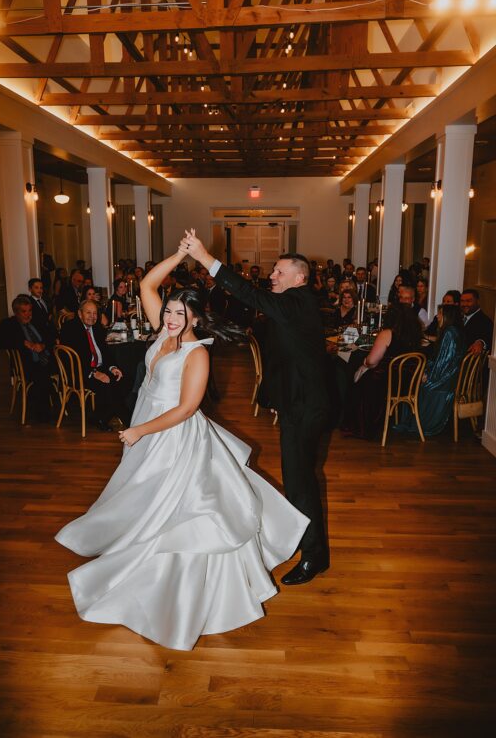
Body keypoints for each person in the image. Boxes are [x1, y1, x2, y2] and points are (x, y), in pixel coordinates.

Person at [55, 247, 307, 650]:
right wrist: (179, 255)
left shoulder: (198, 353)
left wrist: (139, 432)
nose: (170, 319)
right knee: (143, 500)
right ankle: (138, 561)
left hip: (173, 436)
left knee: (176, 510)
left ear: (196, 318)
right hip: (148, 427)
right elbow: (146, 284)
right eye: (168, 311)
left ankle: (171, 588)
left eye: (179, 314)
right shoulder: (163, 332)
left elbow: (188, 408)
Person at [181, 230, 332, 585]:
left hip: (307, 407)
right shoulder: (293, 306)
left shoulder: (298, 301)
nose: (272, 276)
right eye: (274, 271)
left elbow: (249, 293)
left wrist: (205, 258)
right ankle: (305, 541)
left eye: (280, 272)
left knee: (300, 483)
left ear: (299, 278)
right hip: (299, 403)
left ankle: (315, 556)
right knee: (299, 480)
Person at [340, 303, 422, 440]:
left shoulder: (387, 333)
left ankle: (357, 425)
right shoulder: (415, 334)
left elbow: (372, 361)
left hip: (386, 383)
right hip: (408, 382)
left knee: (356, 378)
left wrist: (364, 363)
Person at [393, 304, 465, 437]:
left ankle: (416, 423)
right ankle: (409, 421)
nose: (437, 316)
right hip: (447, 373)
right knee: (414, 379)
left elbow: (444, 362)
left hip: (444, 379)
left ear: (447, 316)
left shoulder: (450, 332)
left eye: (440, 313)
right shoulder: (451, 331)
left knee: (414, 384)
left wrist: (428, 375)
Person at [58, 300, 127, 430]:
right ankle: (126, 420)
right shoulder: (70, 328)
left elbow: (105, 351)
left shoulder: (97, 327)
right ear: (79, 314)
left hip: (98, 367)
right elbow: (71, 359)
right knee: (108, 385)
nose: (92, 316)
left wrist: (113, 367)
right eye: (88, 312)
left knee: (123, 378)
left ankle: (100, 417)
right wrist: (94, 373)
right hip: (79, 371)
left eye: (95, 313)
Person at [0, 295, 55, 423]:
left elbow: (51, 336)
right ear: (16, 312)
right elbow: (0, 342)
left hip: (46, 359)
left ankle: (58, 405)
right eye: (24, 311)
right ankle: (42, 414)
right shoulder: (9, 324)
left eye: (30, 310)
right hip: (26, 364)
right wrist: (24, 342)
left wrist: (43, 345)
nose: (28, 314)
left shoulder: (36, 321)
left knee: (62, 370)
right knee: (42, 377)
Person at [461, 289, 493, 356]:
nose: (465, 304)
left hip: (466, 363)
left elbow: (487, 338)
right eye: (462, 301)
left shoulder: (485, 321)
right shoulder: (458, 317)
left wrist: (480, 342)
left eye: (468, 301)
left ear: (477, 301)